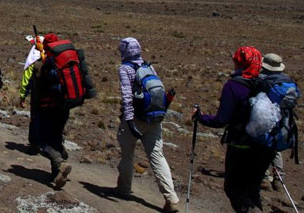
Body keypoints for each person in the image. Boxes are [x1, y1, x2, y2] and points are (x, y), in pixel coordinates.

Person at [194, 46, 276, 213]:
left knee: (234, 189)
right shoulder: (264, 84)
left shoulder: (233, 86)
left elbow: (221, 120)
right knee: (252, 191)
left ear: (239, 63)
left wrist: (201, 117)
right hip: (264, 147)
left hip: (240, 145)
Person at [114, 38, 180, 213]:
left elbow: (127, 96)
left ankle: (124, 189)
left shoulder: (125, 69)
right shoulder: (149, 66)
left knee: (128, 154)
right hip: (154, 118)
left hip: (135, 119)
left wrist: (129, 120)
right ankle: (171, 198)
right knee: (157, 157)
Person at [27, 33, 74, 189]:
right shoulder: (65, 62)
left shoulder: (41, 65)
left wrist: (34, 109)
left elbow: (37, 91)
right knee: (56, 136)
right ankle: (56, 174)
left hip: (46, 108)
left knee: (43, 141)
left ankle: (59, 164)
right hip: (63, 107)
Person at [258, 53, 297, 191]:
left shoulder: (264, 80)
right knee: (276, 148)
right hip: (282, 120)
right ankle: (279, 178)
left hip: (266, 118)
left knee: (262, 145)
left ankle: (264, 177)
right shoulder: (287, 82)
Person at [19, 35, 44, 155]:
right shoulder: (53, 59)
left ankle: (34, 145)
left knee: (35, 120)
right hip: (55, 98)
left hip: (38, 97)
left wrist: (23, 96)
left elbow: (26, 81)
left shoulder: (33, 62)